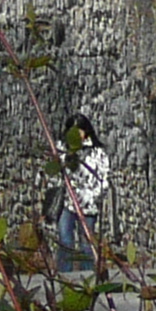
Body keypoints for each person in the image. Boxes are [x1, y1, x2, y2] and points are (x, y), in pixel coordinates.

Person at [55, 112, 112, 280]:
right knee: (65, 238)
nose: (76, 134)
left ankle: (88, 275)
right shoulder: (62, 150)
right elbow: (56, 173)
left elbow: (104, 178)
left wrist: (92, 197)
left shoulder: (97, 152)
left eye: (79, 130)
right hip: (67, 202)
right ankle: (64, 275)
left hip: (88, 205)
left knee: (87, 241)